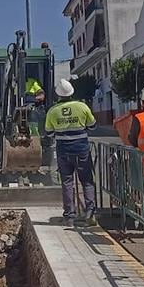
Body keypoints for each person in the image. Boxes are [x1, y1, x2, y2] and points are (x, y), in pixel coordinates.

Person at [44, 78, 98, 226]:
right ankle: (90, 214)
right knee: (87, 181)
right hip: (81, 149)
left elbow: (48, 133)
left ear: (58, 95)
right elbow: (92, 126)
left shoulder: (52, 111)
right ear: (72, 92)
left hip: (63, 150)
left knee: (67, 182)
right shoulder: (82, 107)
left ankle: (69, 217)